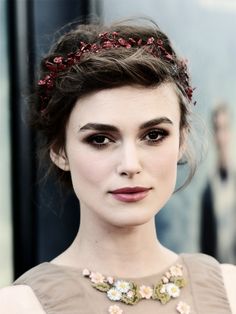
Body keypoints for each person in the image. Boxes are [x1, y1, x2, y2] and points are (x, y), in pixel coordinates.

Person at [0, 18, 235, 314]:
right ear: (60, 150)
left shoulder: (229, 289)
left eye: (154, 135)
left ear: (181, 140)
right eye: (100, 139)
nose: (130, 165)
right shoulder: (19, 306)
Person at [200, 104, 236, 264]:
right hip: (221, 276)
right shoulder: (209, 190)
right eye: (217, 129)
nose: (221, 136)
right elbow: (206, 245)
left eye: (225, 128)